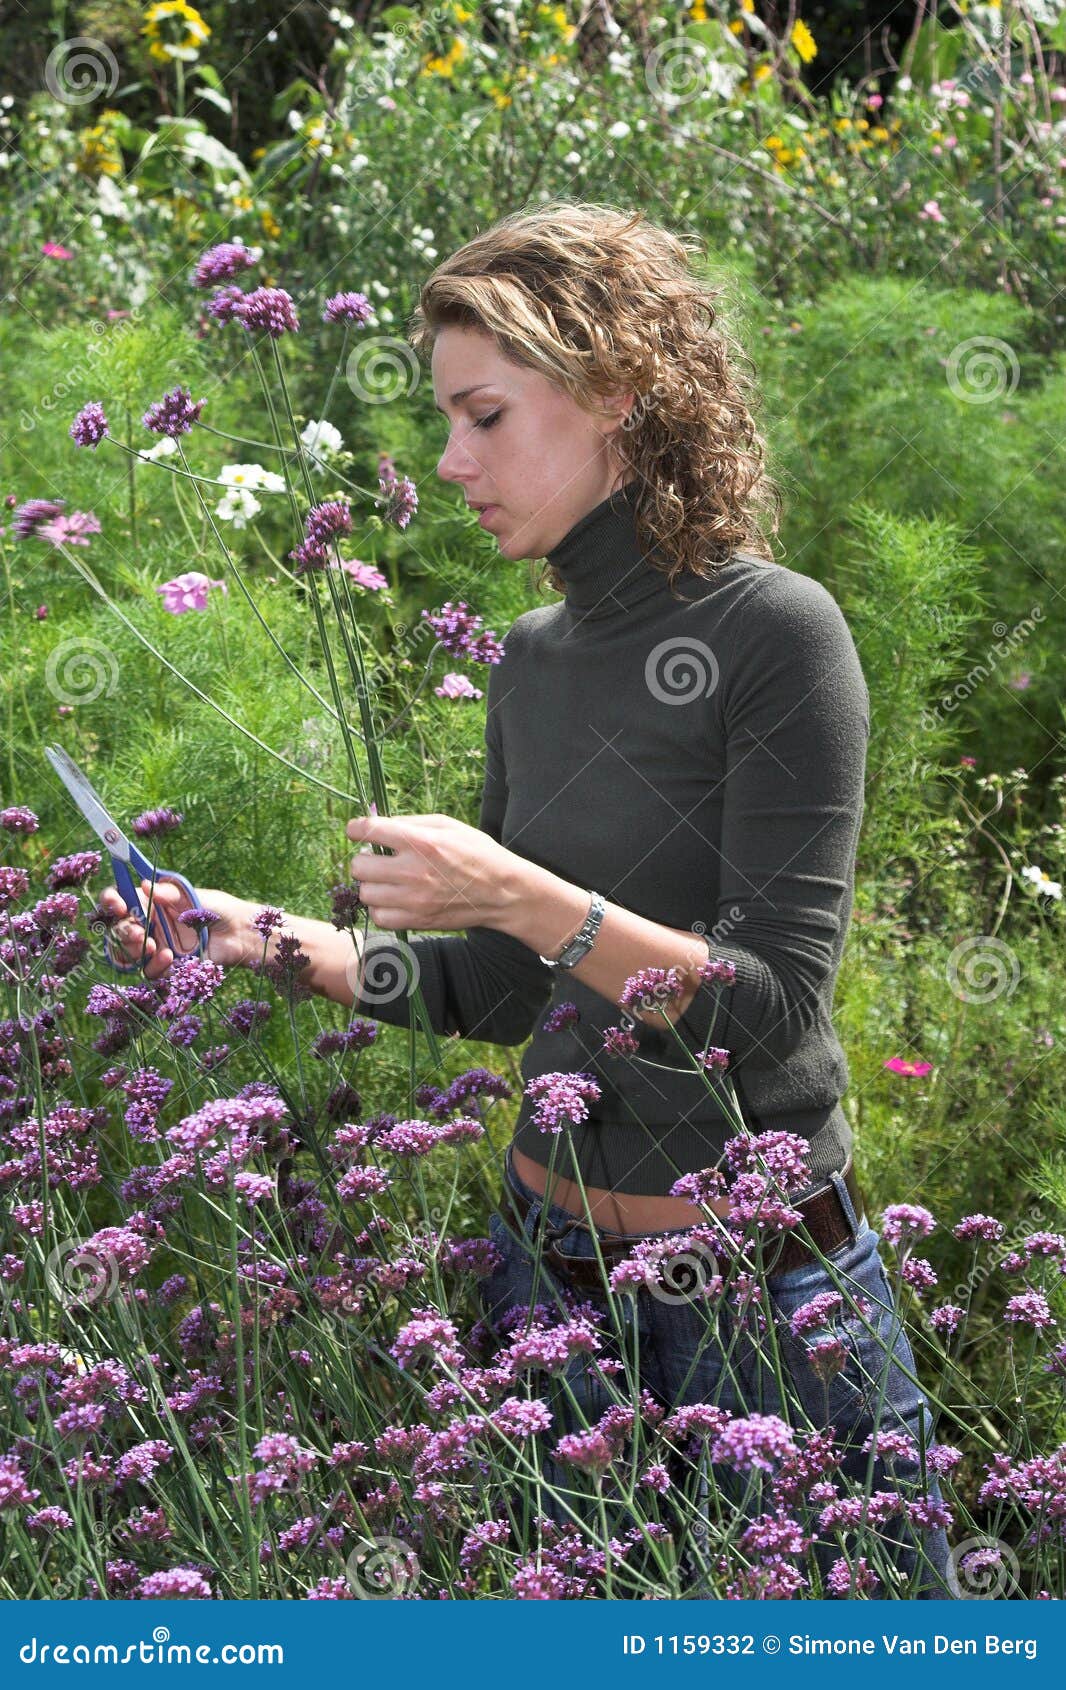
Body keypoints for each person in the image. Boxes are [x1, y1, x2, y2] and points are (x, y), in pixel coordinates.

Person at [101, 199, 959, 1599]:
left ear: (618, 390)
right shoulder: (533, 656)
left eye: (484, 415)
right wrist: (263, 938)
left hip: (766, 1308)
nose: (449, 462)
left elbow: (774, 1010)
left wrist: (514, 888)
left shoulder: (775, 634)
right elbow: (502, 995)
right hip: (547, 1291)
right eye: (447, 421)